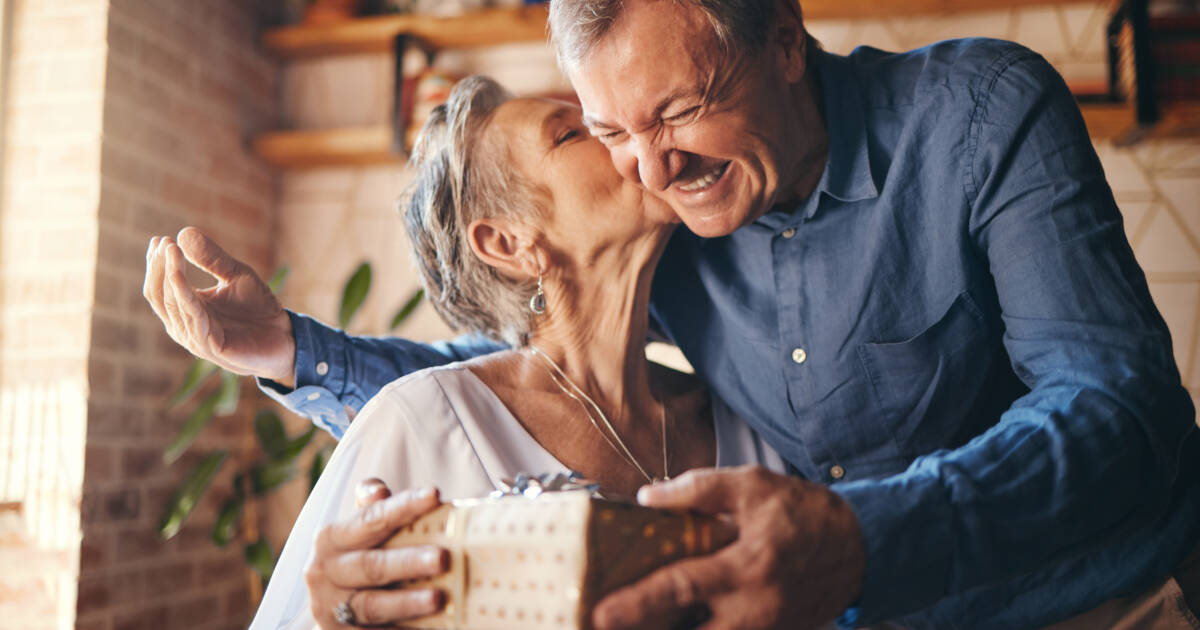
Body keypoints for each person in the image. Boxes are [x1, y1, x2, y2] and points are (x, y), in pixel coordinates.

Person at [145, 0, 1200, 628]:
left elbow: (1119, 406)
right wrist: (291, 351)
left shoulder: (978, 116)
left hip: (1099, 607)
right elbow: (520, 389)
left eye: (680, 110)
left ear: (786, 38)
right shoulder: (683, 217)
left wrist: (861, 539)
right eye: (604, 130)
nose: (652, 166)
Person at [152, 76, 789, 630]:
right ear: (510, 242)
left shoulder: (744, 419)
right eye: (572, 134)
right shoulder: (419, 420)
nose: (617, 133)